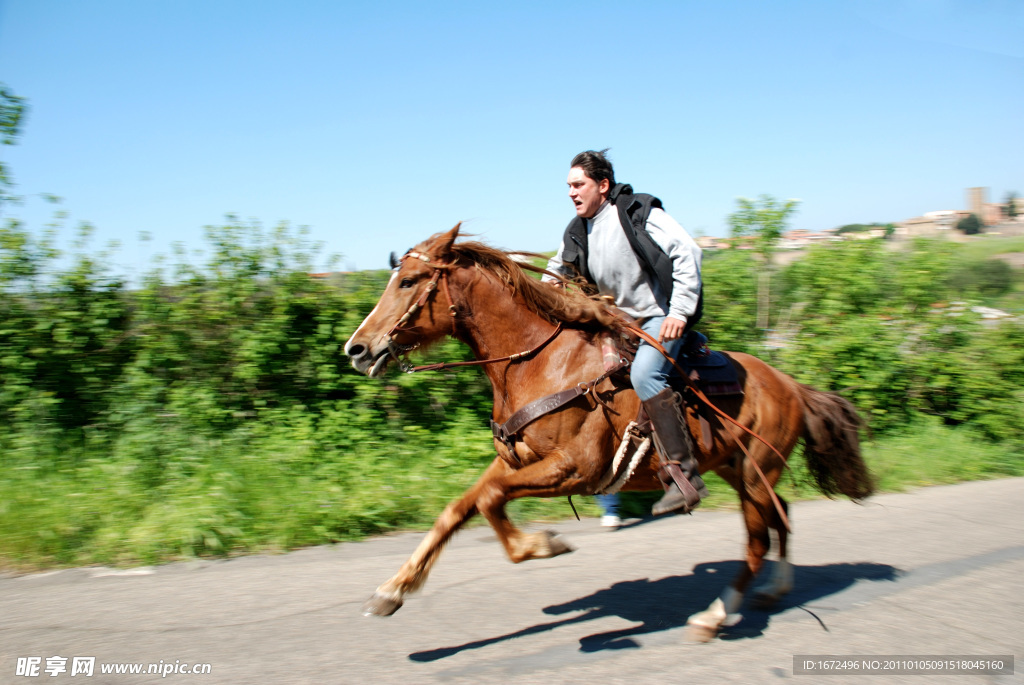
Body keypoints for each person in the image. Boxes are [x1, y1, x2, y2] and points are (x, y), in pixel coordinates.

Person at [543, 150, 708, 516]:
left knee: (646, 374)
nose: (571, 193)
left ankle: (684, 479)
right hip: (615, 325)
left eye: (578, 185)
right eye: (568, 187)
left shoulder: (639, 212)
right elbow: (554, 275)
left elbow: (688, 251)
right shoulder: (576, 230)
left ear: (602, 185)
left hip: (657, 320)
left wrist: (679, 311)